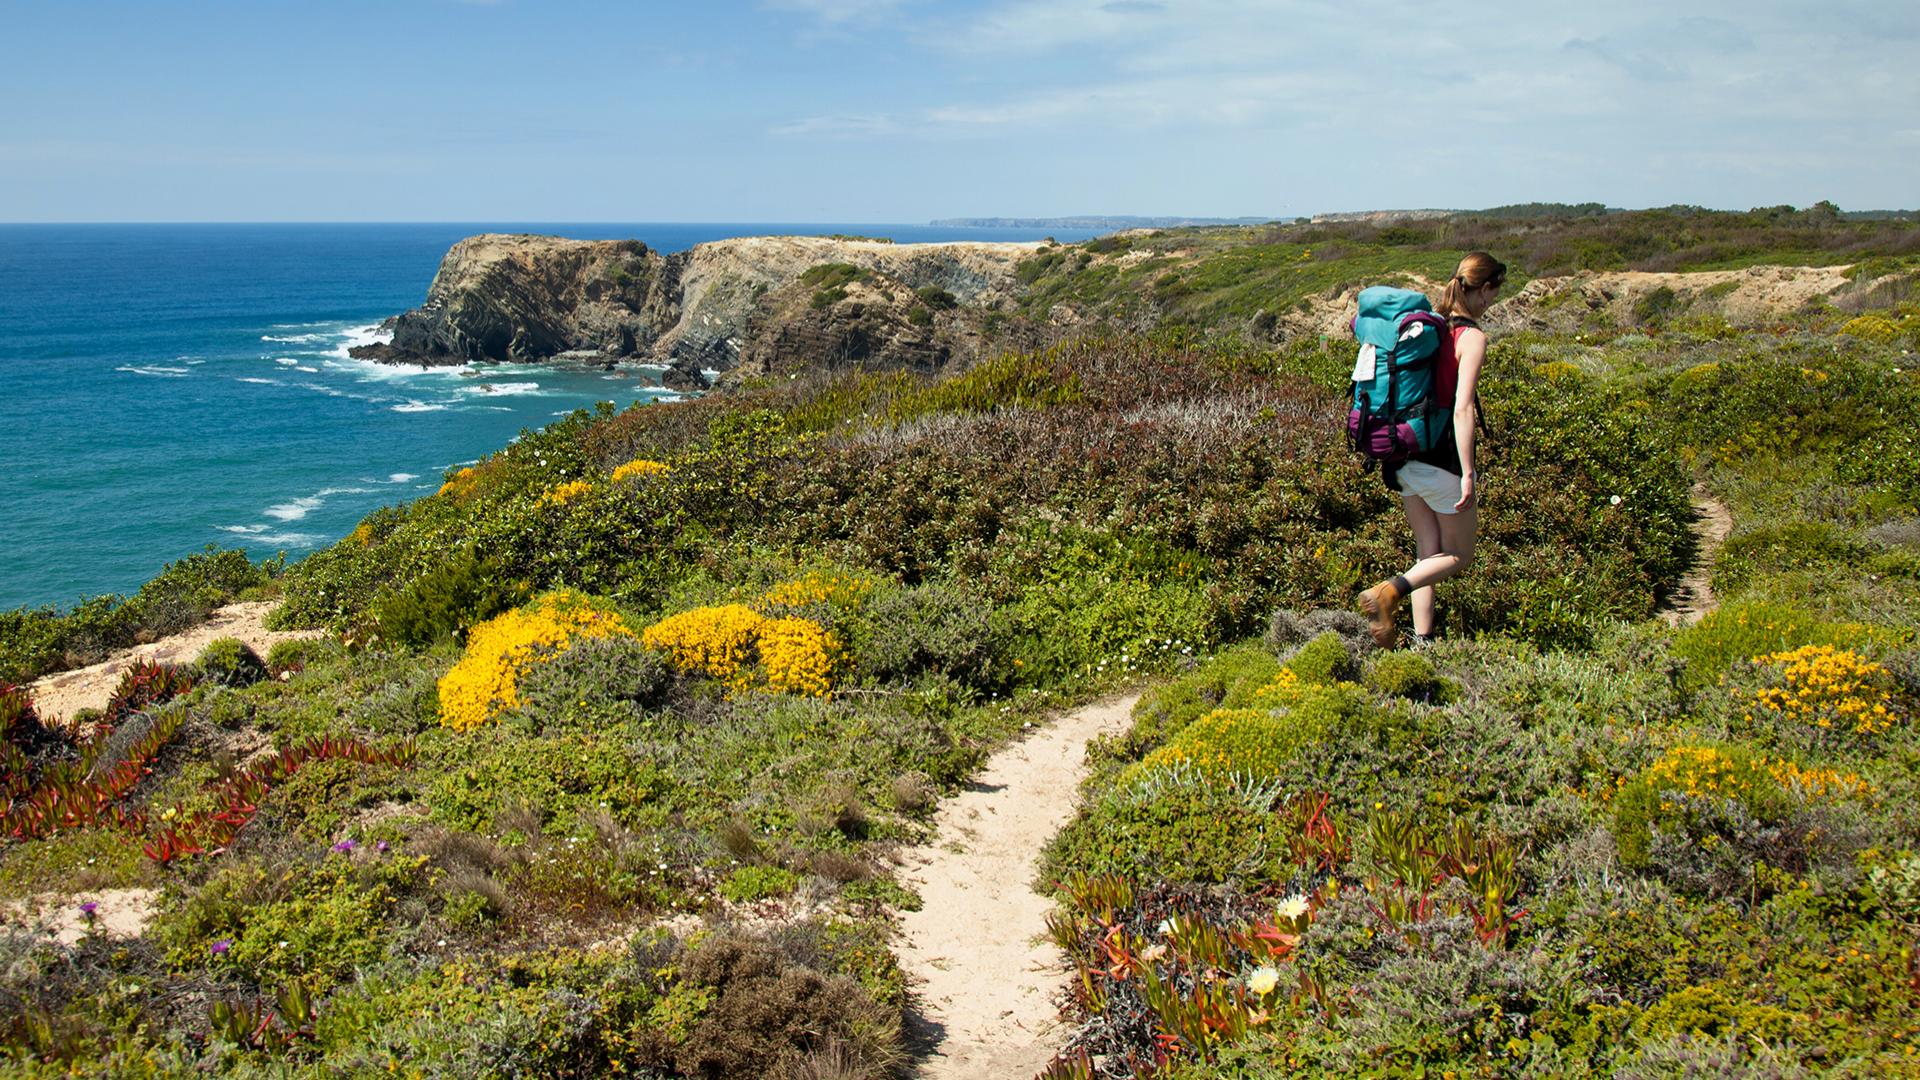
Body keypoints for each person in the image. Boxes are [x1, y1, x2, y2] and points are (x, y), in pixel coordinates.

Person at [1355, 251, 1506, 648]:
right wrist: (1469, 471)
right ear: (1482, 290)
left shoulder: (1429, 330)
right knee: (1459, 555)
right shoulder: (1470, 337)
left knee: (1429, 554)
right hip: (1441, 460)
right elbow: (1462, 407)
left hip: (1403, 455)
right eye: (1493, 293)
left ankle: (1423, 641)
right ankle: (1388, 591)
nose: (1492, 302)